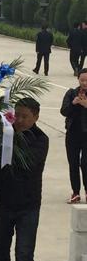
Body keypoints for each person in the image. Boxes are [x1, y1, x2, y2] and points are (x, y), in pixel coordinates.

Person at [0, 98, 48, 261]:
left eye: (25, 116)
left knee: (24, 254)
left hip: (28, 205)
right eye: (17, 115)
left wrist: (8, 147)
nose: (20, 120)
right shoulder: (3, 134)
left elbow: (27, 165)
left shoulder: (41, 140)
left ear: (36, 117)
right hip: (3, 202)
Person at [60, 68, 87, 204]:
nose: (84, 83)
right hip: (72, 134)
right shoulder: (71, 93)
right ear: (78, 80)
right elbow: (64, 111)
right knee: (73, 163)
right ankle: (75, 192)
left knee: (85, 163)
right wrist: (74, 103)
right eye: (82, 80)